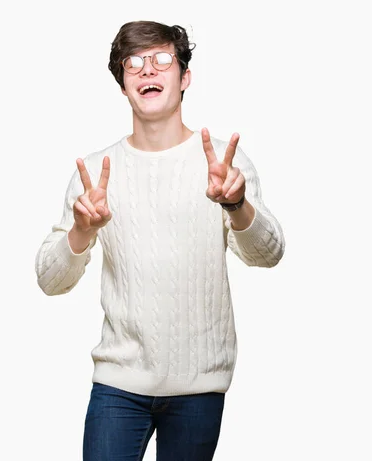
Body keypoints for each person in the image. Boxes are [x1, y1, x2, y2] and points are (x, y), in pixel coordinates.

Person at [35, 20, 285, 461]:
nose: (148, 70)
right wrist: (82, 231)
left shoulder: (225, 163)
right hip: (118, 385)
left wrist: (237, 204)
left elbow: (269, 254)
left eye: (162, 60)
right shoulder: (96, 172)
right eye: (134, 64)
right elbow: (49, 280)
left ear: (184, 77)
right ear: (123, 85)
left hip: (199, 386)